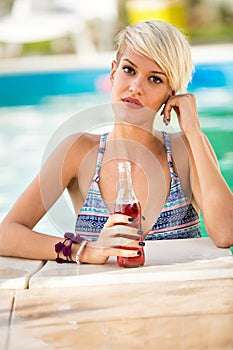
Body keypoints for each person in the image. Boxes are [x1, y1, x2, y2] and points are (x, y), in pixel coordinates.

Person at [0, 20, 232, 265]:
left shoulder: (185, 149)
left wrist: (193, 131)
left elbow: (226, 233)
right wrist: (87, 251)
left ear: (171, 95)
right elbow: (7, 234)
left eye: (155, 79)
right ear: (113, 72)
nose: (136, 87)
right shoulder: (77, 152)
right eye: (129, 70)